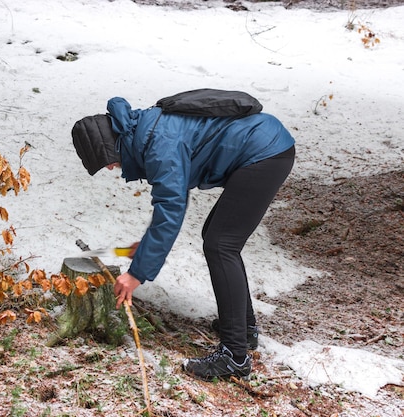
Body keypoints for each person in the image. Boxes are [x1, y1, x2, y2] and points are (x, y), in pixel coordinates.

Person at [71, 93, 295, 381]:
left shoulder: (157, 145)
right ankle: (243, 330)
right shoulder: (145, 130)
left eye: (107, 162)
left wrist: (137, 273)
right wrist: (147, 248)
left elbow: (171, 208)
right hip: (266, 145)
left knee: (221, 244)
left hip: (264, 153)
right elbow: (169, 203)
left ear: (112, 145)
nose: (112, 168)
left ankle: (235, 356)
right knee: (217, 239)